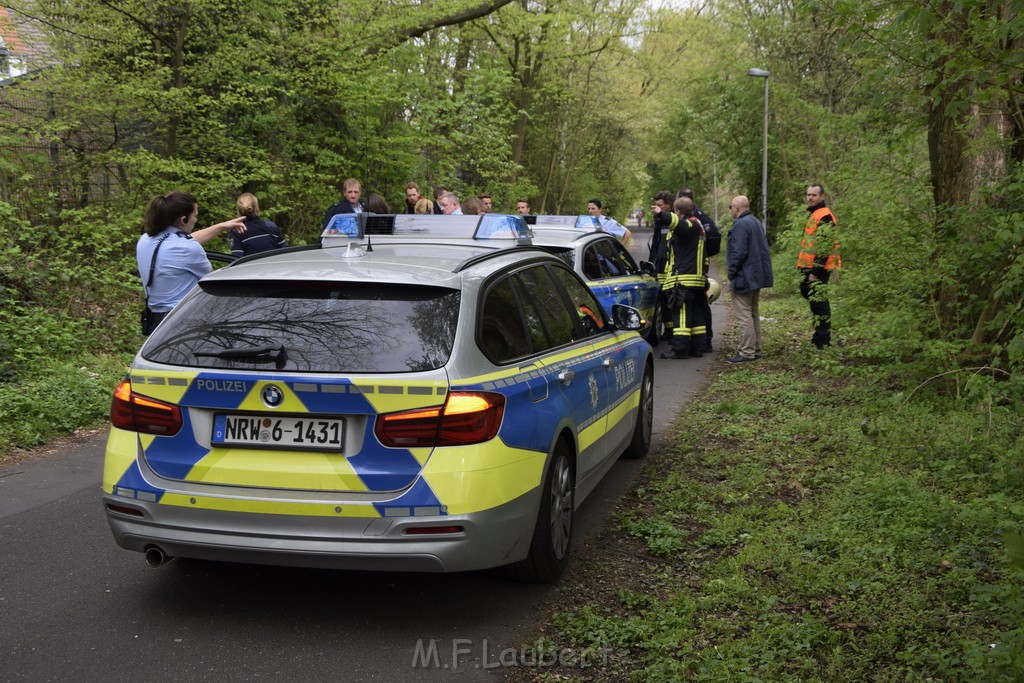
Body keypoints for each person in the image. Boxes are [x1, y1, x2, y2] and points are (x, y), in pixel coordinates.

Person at [137, 191, 246, 333]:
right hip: (183, 323)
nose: (196, 220)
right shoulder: (187, 248)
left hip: (155, 325)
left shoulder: (145, 240)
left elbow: (180, 242)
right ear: (183, 220)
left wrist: (220, 226)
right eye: (195, 215)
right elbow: (211, 283)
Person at [725, 195, 774, 363]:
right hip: (756, 275)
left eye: (731, 207)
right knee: (753, 313)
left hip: (744, 275)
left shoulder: (740, 224)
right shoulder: (755, 221)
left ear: (737, 208)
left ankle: (746, 352)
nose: (731, 210)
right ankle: (756, 349)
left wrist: (731, 273)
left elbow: (738, 253)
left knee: (744, 315)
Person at [659, 197, 708, 359]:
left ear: (678, 211)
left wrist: (662, 214)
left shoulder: (691, 224)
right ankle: (697, 347)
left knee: (681, 314)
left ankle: (680, 349)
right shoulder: (699, 225)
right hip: (697, 279)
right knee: (696, 316)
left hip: (685, 280)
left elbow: (679, 224)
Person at [797, 183, 841, 348]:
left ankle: (822, 341)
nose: (810, 198)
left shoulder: (825, 216)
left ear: (822, 197)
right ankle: (819, 338)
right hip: (811, 267)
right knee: (813, 299)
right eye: (808, 195)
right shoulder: (815, 214)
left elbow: (824, 246)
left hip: (819, 268)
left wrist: (815, 271)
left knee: (820, 303)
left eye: (814, 195)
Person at [677, 188, 719, 352]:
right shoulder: (702, 218)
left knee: (698, 305)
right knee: (700, 305)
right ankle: (702, 342)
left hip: (693, 269)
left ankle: (703, 342)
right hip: (700, 267)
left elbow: (713, 238)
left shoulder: (693, 220)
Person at [230, 193, 286, 258]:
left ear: (239, 211)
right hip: (274, 267)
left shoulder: (238, 230)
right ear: (257, 208)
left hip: (251, 268)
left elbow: (236, 258)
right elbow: (283, 252)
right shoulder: (271, 226)